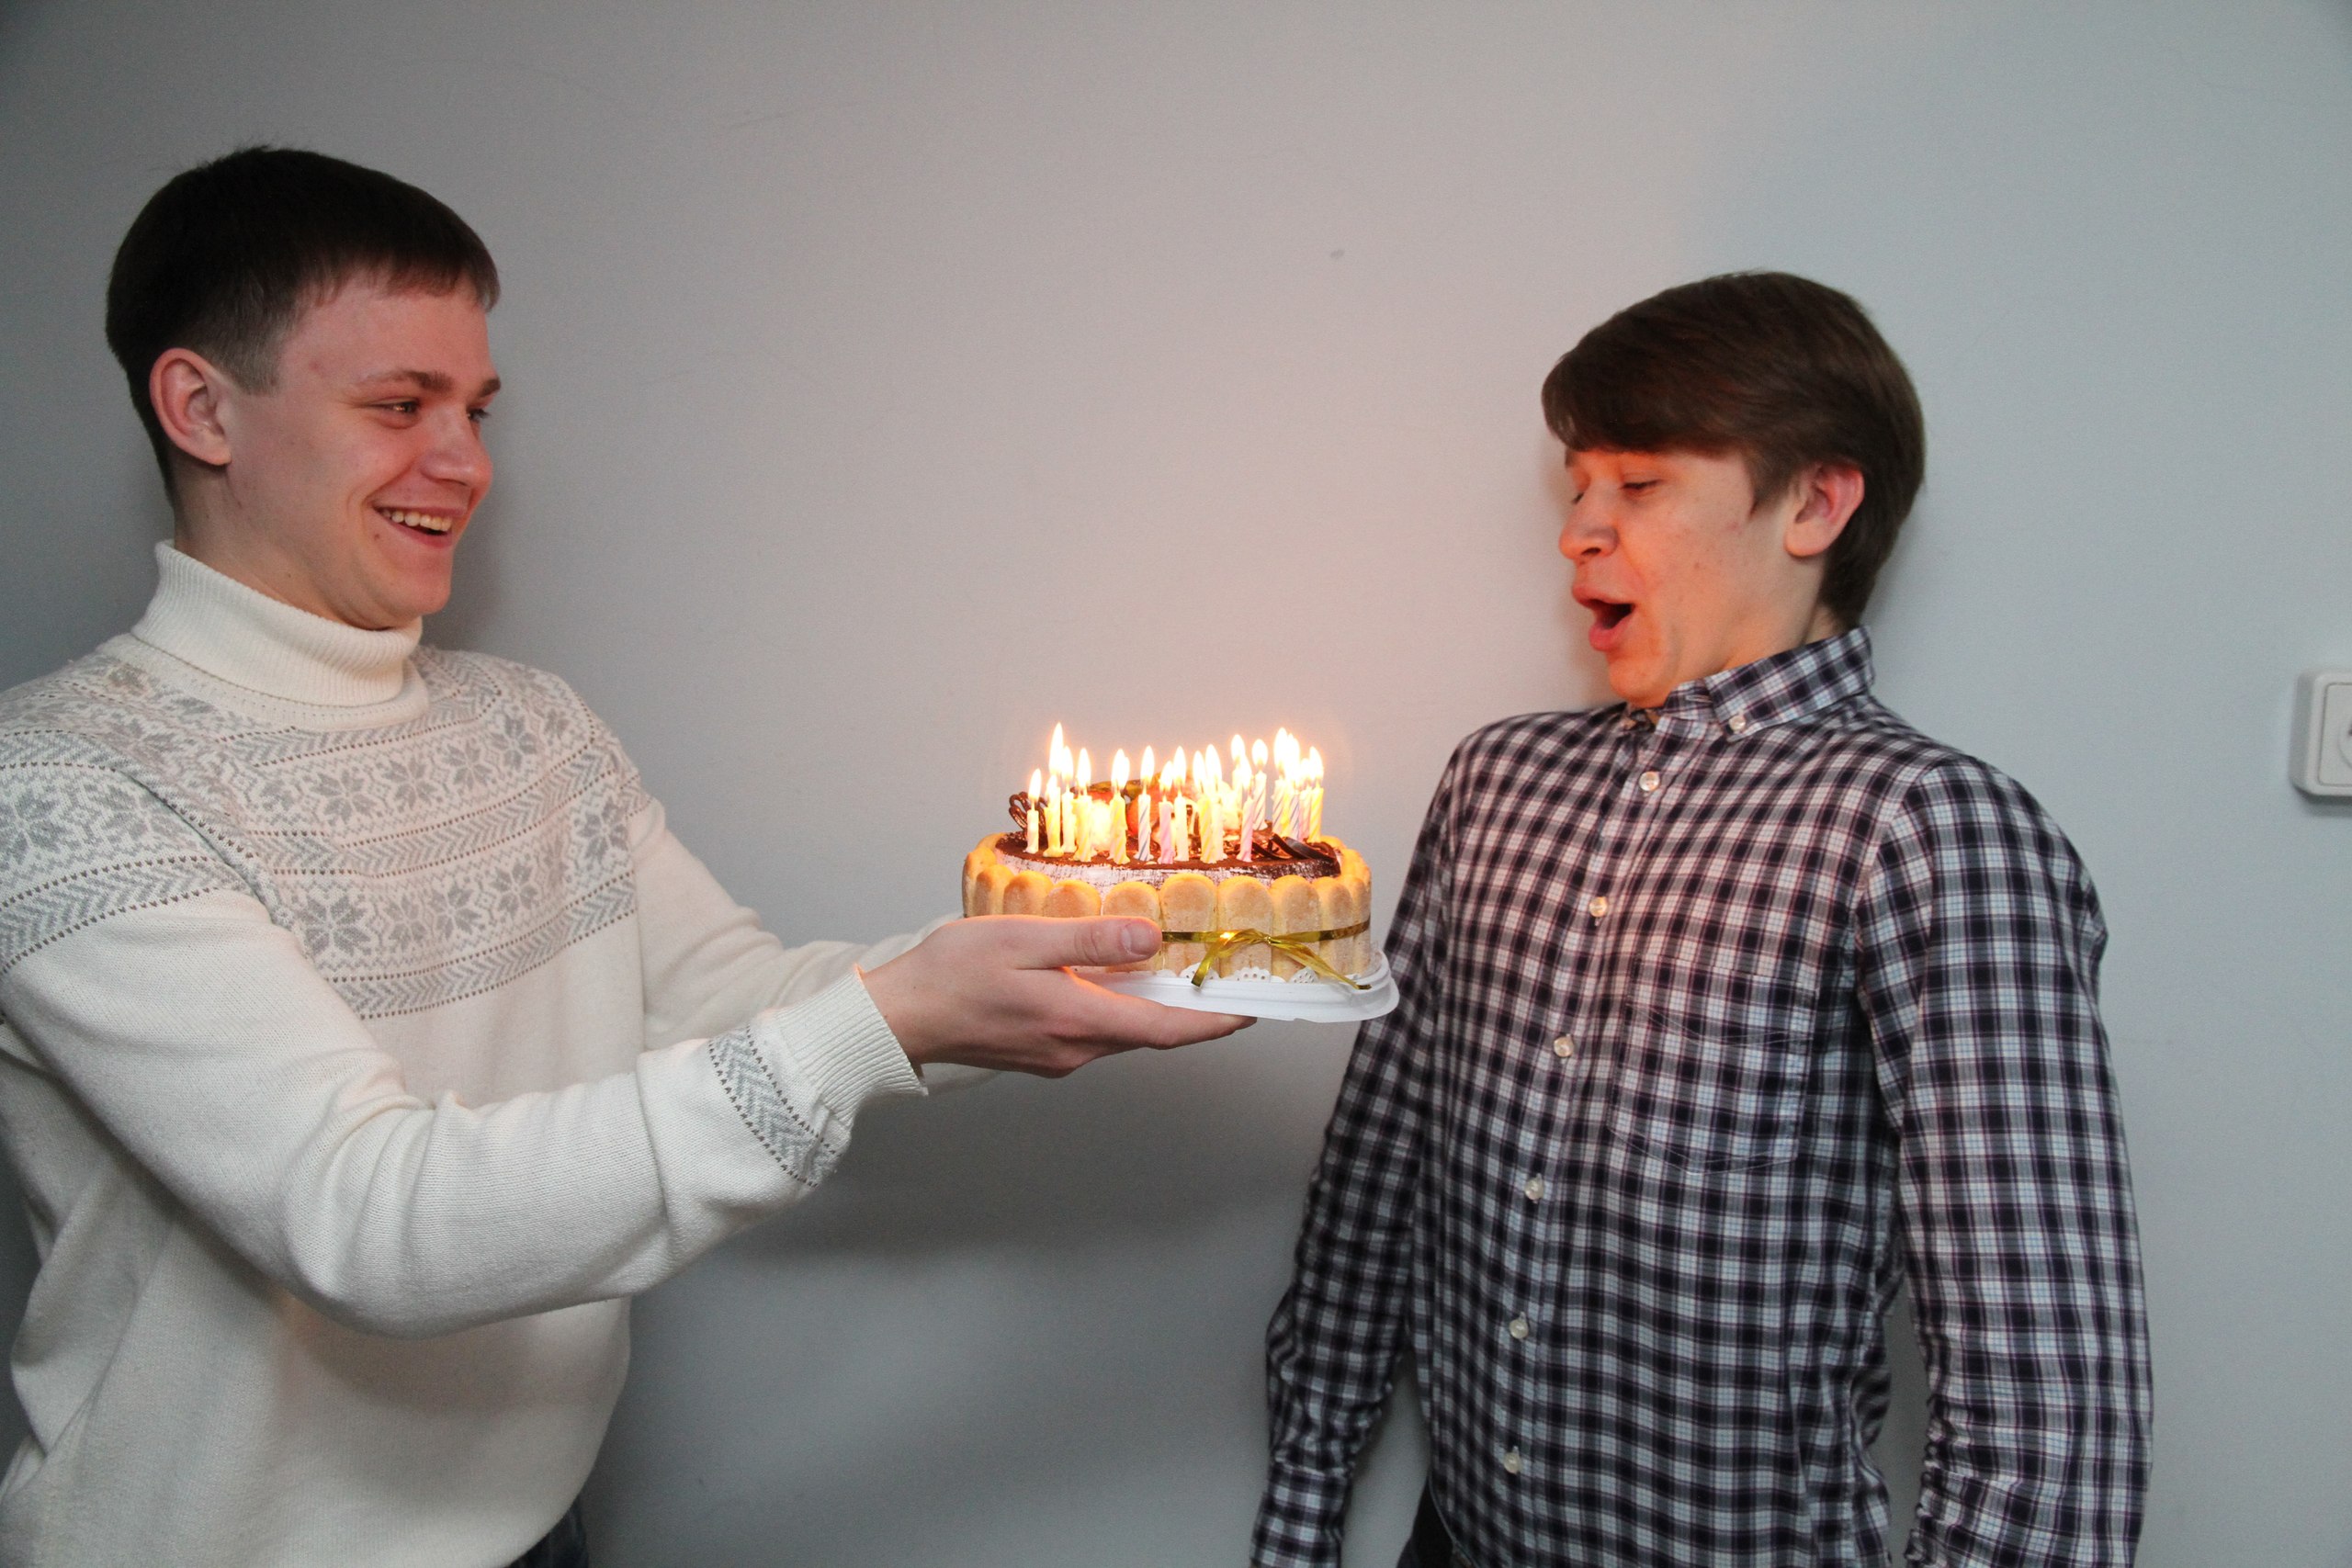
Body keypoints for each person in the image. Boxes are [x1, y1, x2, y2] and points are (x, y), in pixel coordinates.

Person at [0, 146, 1245, 1567]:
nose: (465, 463)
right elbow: (364, 1215)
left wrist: (1059, 963)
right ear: (201, 407)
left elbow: (732, 999)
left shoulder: (530, 726)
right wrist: (883, 1025)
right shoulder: (61, 786)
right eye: (400, 405)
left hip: (542, 1530)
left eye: (475, 409)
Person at [1253, 272, 2151, 1568]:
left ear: (1815, 506)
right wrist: (1301, 1520)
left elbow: (2043, 1390)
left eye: (1640, 483)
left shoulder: (1931, 829)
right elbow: (1374, 1183)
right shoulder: (1497, 781)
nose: (1580, 530)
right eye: (1577, 487)